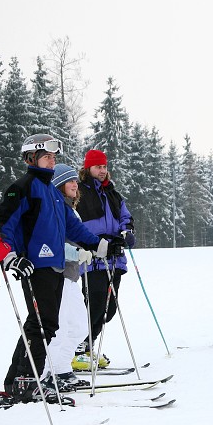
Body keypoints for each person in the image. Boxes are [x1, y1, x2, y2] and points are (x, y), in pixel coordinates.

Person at [0, 134, 107, 402]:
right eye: (47, 157)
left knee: (45, 324)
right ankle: (27, 382)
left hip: (54, 267)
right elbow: (3, 226)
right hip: (34, 267)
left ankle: (18, 380)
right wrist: (8, 257)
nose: (52, 161)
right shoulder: (21, 188)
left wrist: (100, 244)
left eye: (54, 157)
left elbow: (74, 227)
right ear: (31, 159)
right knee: (41, 325)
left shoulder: (53, 194)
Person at [72, 149, 134, 367]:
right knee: (95, 303)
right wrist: (95, 242)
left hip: (115, 256)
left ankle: (88, 346)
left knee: (109, 308)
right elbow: (75, 222)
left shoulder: (112, 193)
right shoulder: (80, 191)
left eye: (104, 166)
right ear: (88, 168)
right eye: (98, 166)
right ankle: (78, 347)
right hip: (93, 256)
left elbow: (125, 216)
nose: (102, 170)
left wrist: (127, 231)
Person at [44, 163, 94, 389]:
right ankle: (50, 373)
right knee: (61, 328)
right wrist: (77, 252)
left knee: (80, 327)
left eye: (75, 180)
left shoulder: (70, 210)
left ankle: (63, 368)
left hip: (72, 275)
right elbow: (51, 243)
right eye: (69, 181)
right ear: (57, 185)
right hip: (57, 274)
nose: (75, 184)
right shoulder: (52, 209)